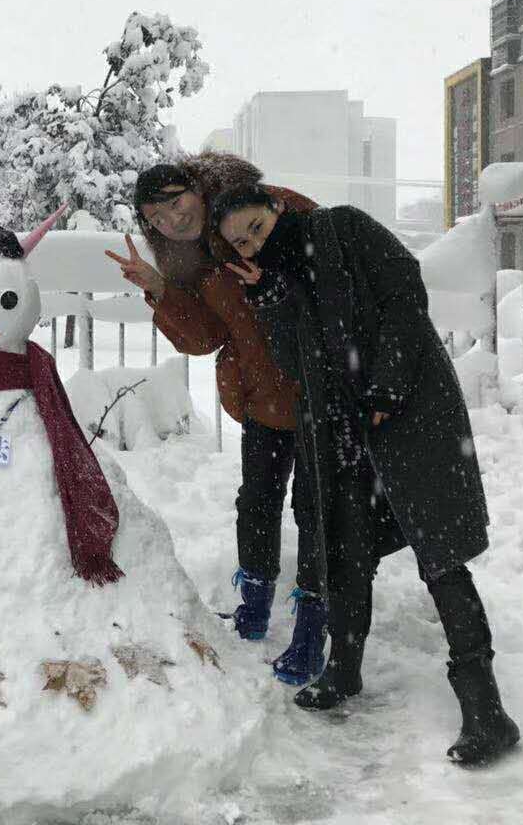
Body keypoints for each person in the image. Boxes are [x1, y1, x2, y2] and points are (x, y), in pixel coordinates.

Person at [212, 184, 520, 766]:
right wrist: (273, 297)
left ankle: (487, 710)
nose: (253, 242)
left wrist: (388, 382)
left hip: (409, 413)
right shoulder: (280, 278)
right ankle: (343, 670)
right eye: (240, 242)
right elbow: (291, 359)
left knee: (440, 555)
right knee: (346, 549)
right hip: (343, 431)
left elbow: (405, 295)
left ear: (275, 209)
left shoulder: (343, 227)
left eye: (255, 227)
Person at [104, 157, 327, 686]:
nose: (169, 219)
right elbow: (203, 338)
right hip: (262, 396)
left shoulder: (262, 207)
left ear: (200, 190)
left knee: (318, 510)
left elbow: (335, 263)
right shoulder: (185, 257)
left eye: (176, 202)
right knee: (256, 502)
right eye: (153, 215)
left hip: (321, 391)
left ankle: (313, 628)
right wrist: (159, 287)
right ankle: (253, 607)